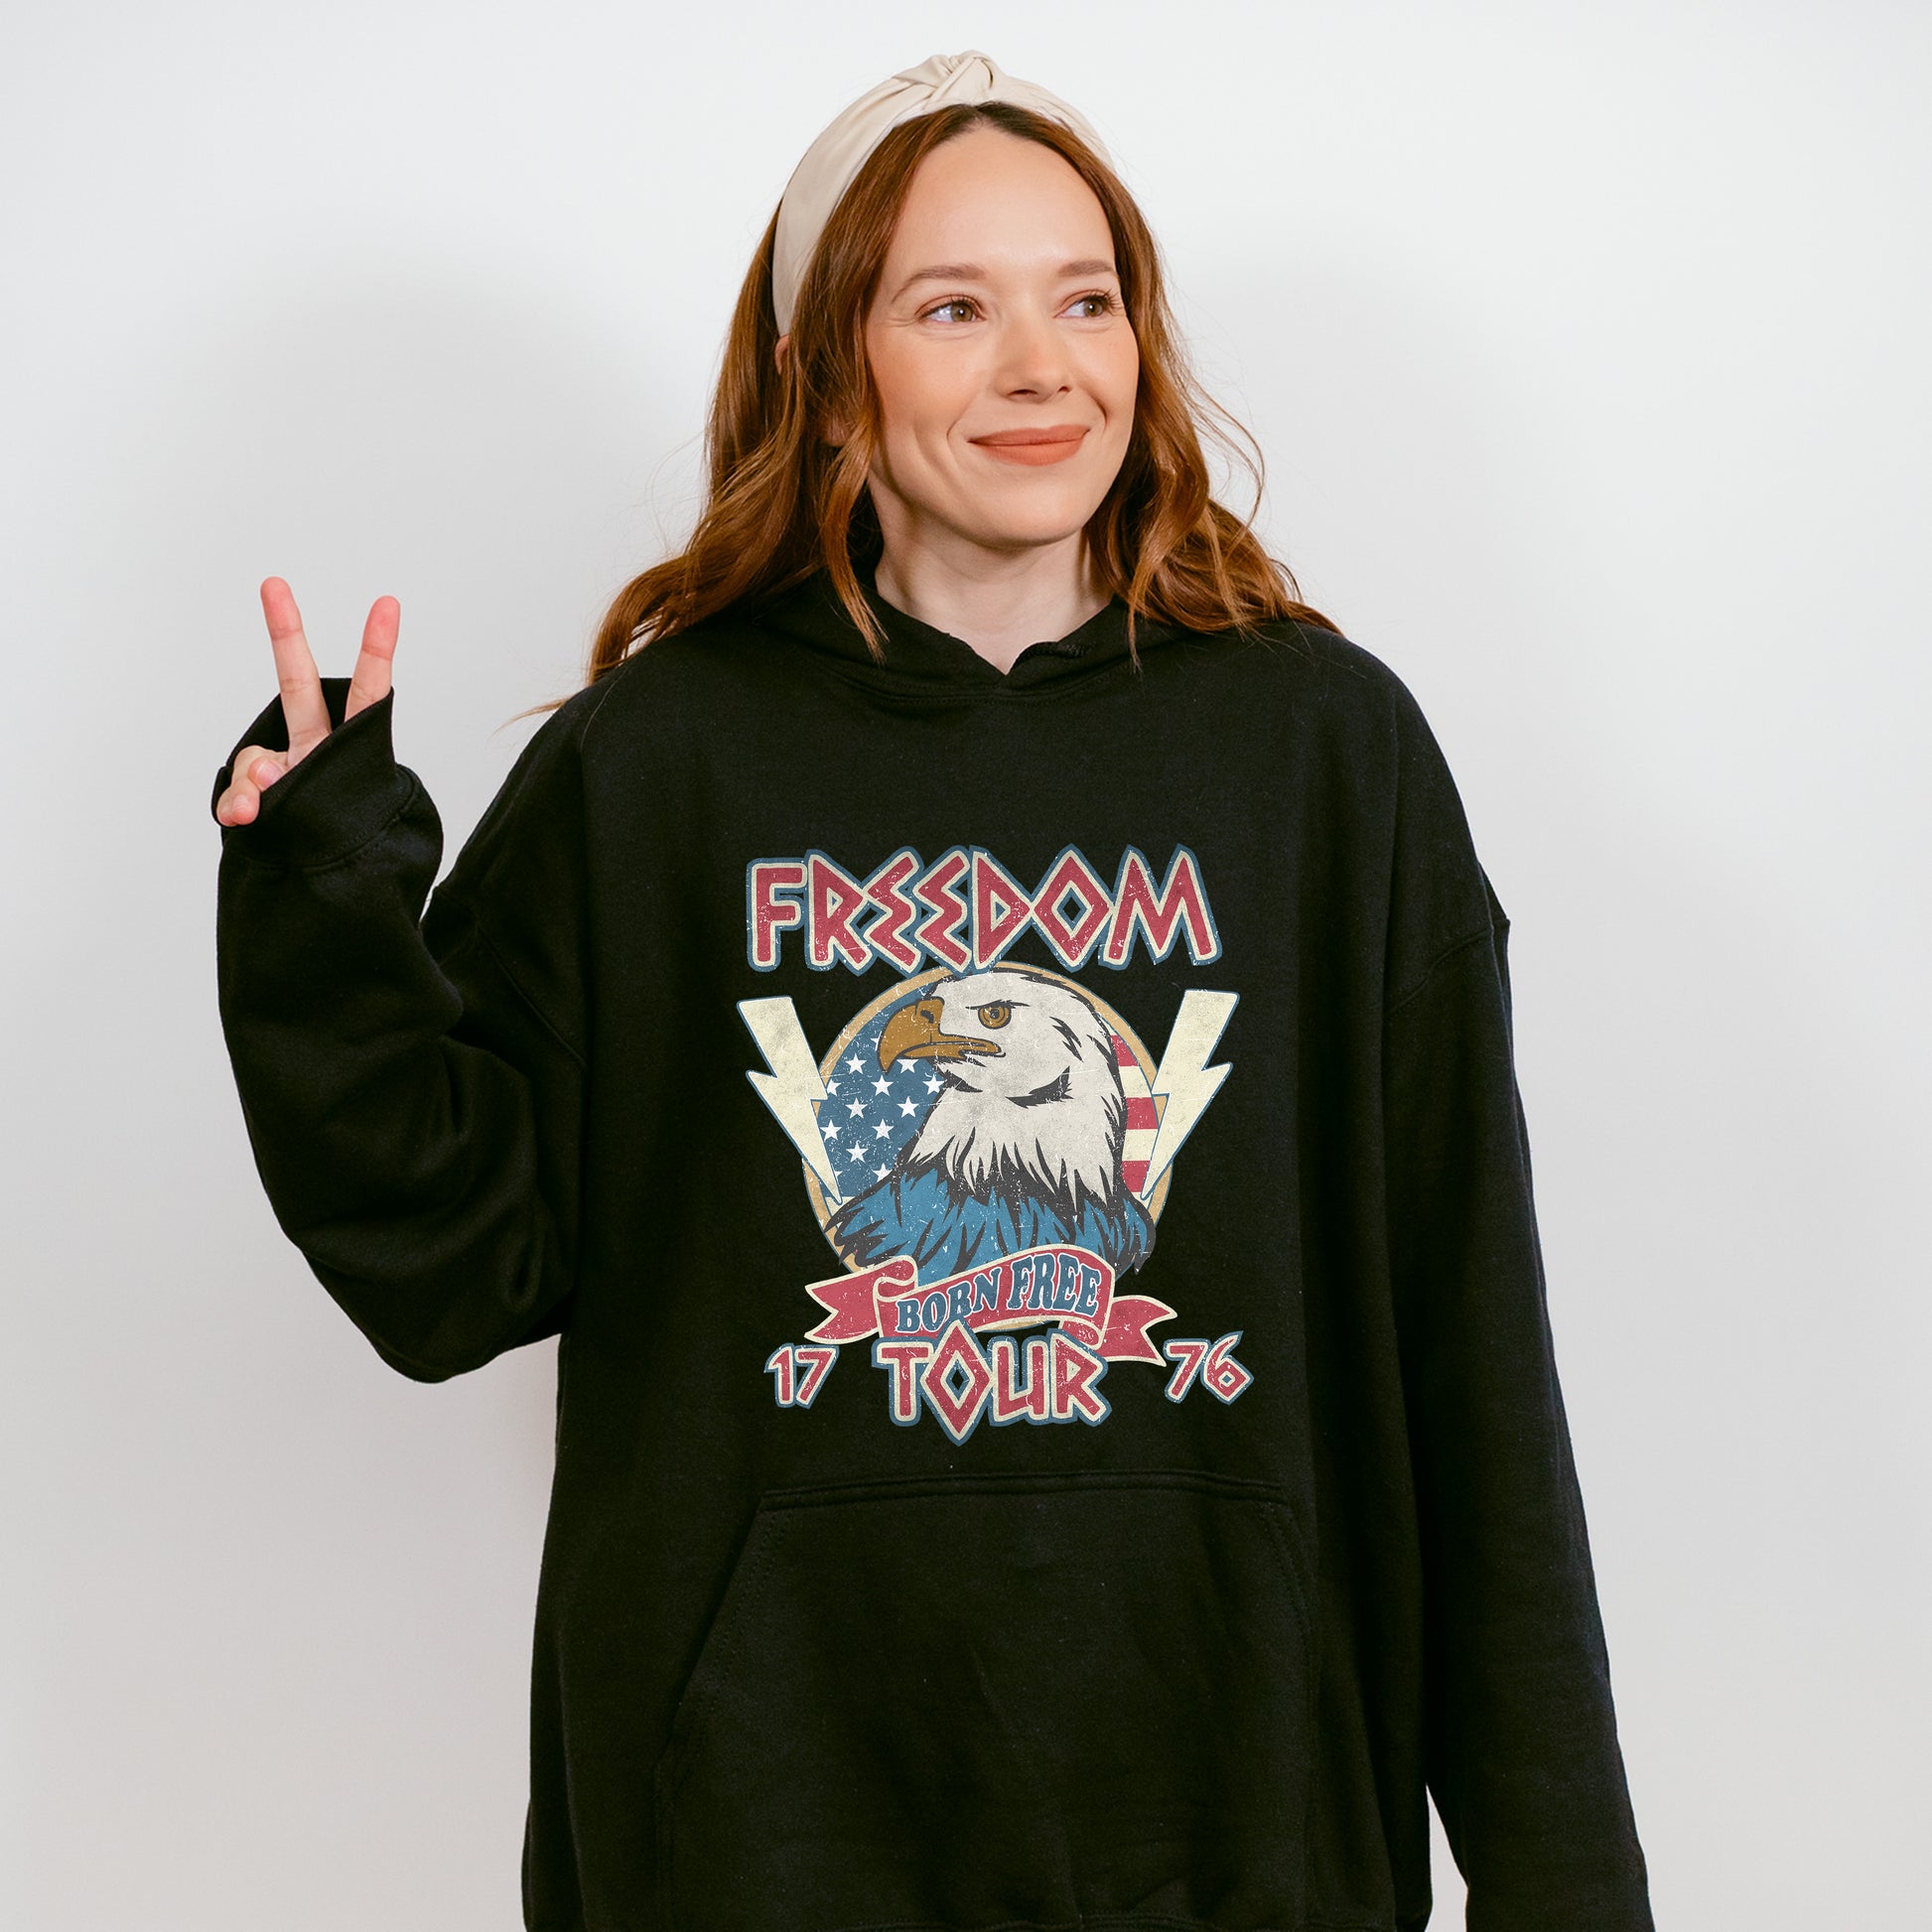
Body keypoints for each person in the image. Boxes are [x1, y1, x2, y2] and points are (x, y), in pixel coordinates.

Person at [210, 50, 1654, 1932]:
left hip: (1239, 1820)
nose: (1044, 368)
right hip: (759, 1838)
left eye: (1087, 299)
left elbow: (1469, 1355)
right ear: (831, 375)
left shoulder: (1321, 754)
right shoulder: (661, 763)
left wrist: (1565, 1883)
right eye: (953, 308)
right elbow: (447, 1266)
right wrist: (323, 897)